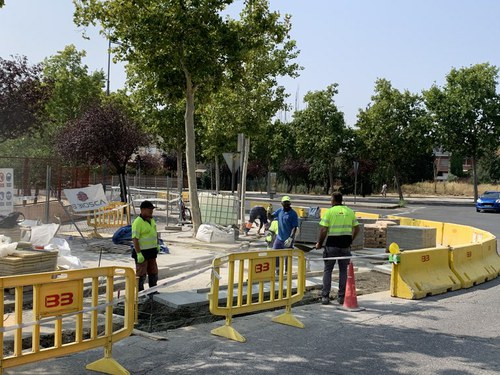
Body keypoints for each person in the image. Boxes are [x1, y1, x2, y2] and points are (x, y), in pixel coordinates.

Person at [315, 192, 360, 305]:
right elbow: (357, 228)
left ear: (334, 200)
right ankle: (341, 297)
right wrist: (351, 240)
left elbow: (324, 230)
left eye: (331, 199)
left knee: (328, 270)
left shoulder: (329, 212)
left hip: (331, 246)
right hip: (345, 246)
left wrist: (319, 243)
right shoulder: (349, 212)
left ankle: (325, 297)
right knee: (343, 271)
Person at [132, 200, 161, 292]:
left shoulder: (152, 220)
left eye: (152, 209)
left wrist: (157, 245)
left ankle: (153, 290)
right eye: (149, 209)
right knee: (141, 274)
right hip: (142, 252)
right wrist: (139, 253)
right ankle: (140, 293)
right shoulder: (137, 222)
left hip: (152, 252)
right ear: (143, 210)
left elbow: (154, 233)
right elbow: (135, 239)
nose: (151, 211)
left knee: (153, 272)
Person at [273, 196, 299, 272]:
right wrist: (268, 213)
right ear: (282, 203)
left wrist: (291, 238)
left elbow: (295, 227)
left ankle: (287, 271)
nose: (286, 205)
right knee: (275, 253)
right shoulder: (279, 211)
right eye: (285, 203)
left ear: (290, 203)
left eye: (288, 203)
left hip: (288, 239)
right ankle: (277, 270)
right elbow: (271, 217)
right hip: (279, 237)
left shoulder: (293, 214)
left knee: (288, 256)